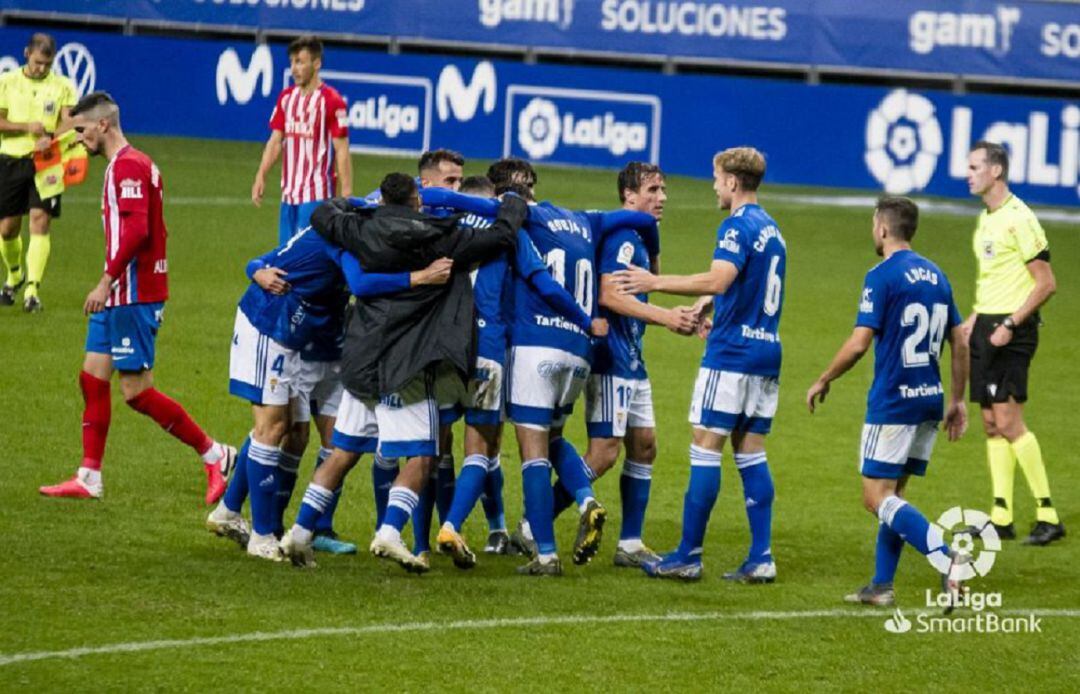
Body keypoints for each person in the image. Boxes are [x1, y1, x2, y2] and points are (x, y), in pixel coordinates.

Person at [422, 159, 662, 575]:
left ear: (502, 195)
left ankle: (541, 551)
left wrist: (407, 196)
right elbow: (639, 220)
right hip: (579, 354)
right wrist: (652, 260)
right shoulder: (584, 219)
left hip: (520, 348)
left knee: (517, 449)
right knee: (553, 438)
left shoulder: (514, 221)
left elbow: (452, 202)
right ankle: (584, 499)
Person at [279, 173, 526, 571]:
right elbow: (500, 236)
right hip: (405, 363)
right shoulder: (440, 236)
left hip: (360, 360)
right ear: (416, 200)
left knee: (343, 451)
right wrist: (512, 203)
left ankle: (301, 532)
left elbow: (323, 212)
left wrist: (360, 205)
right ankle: (390, 532)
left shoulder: (360, 229)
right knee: (424, 455)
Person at [38, 92, 235, 502]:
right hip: (122, 294)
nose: (78, 139)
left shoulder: (127, 166)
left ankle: (215, 453)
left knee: (137, 391)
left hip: (132, 292)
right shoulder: (129, 164)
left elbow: (138, 230)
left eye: (81, 130)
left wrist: (105, 281)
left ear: (103, 125)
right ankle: (89, 476)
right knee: (92, 378)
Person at [614, 147, 783, 583]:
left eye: (715, 178)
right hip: (767, 352)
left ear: (731, 181)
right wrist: (708, 303)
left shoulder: (735, 226)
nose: (713, 186)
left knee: (705, 448)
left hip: (731, 355)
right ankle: (761, 556)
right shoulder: (773, 230)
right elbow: (744, 284)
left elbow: (720, 277)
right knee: (751, 452)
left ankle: (688, 554)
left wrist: (655, 282)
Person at [805, 196, 969, 606]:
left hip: (894, 401)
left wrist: (825, 377)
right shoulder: (938, 275)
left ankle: (947, 557)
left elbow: (860, 343)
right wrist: (958, 399)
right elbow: (961, 337)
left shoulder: (881, 276)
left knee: (875, 498)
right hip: (930, 399)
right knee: (894, 495)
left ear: (882, 228)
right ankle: (881, 585)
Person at [962, 141, 1064, 546]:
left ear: (996, 171)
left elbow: (1046, 283)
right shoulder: (987, 218)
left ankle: (1048, 514)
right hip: (988, 324)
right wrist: (976, 317)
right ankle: (1001, 516)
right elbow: (996, 278)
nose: (967, 174)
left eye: (974, 167)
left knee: (1008, 422)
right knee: (990, 424)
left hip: (1013, 330)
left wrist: (1009, 323)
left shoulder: (1019, 218)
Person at [0, 33, 77, 312]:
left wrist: (52, 136)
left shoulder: (63, 86)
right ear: (26, 54)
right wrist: (25, 127)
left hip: (47, 161)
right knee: (8, 228)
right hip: (11, 159)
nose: (42, 68)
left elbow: (70, 122)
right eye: (37, 62)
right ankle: (15, 274)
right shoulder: (7, 82)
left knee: (40, 220)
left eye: (47, 64)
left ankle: (32, 289)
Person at [251, 35, 351, 245]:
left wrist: (346, 195)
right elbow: (275, 140)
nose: (294, 68)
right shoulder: (287, 98)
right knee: (286, 257)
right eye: (292, 62)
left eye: (300, 62)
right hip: (288, 195)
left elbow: (341, 150)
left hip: (316, 195)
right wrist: (261, 174)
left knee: (307, 258)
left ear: (316, 63)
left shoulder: (332, 101)